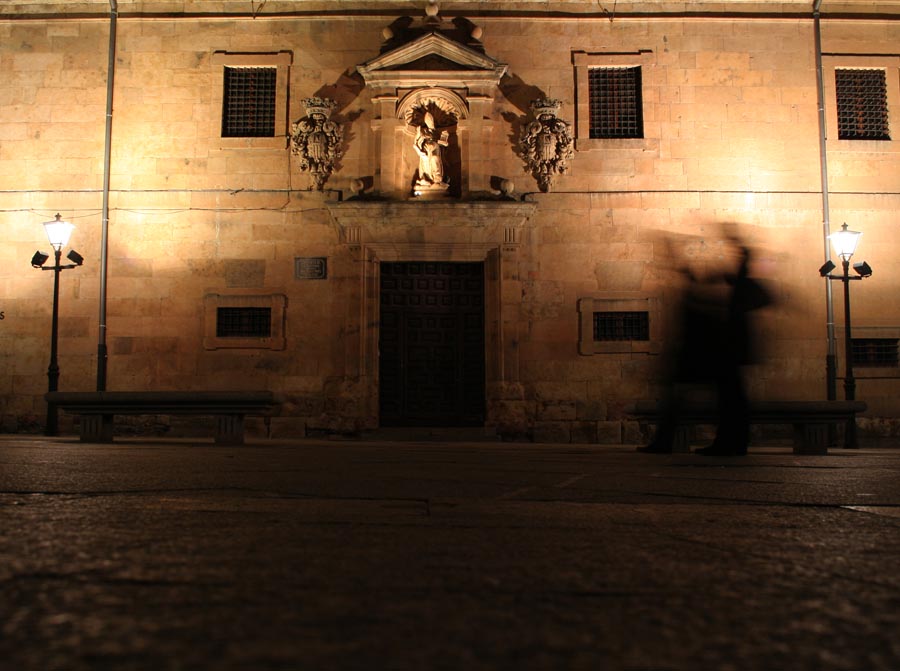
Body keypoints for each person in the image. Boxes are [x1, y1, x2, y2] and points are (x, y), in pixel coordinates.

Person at [414, 111, 449, 187]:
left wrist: (438, 140)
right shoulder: (424, 132)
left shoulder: (438, 132)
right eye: (428, 121)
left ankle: (437, 179)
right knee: (425, 161)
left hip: (435, 149)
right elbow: (417, 141)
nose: (429, 122)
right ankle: (425, 179)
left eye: (430, 120)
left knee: (435, 158)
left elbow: (445, 143)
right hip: (426, 150)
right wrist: (418, 134)